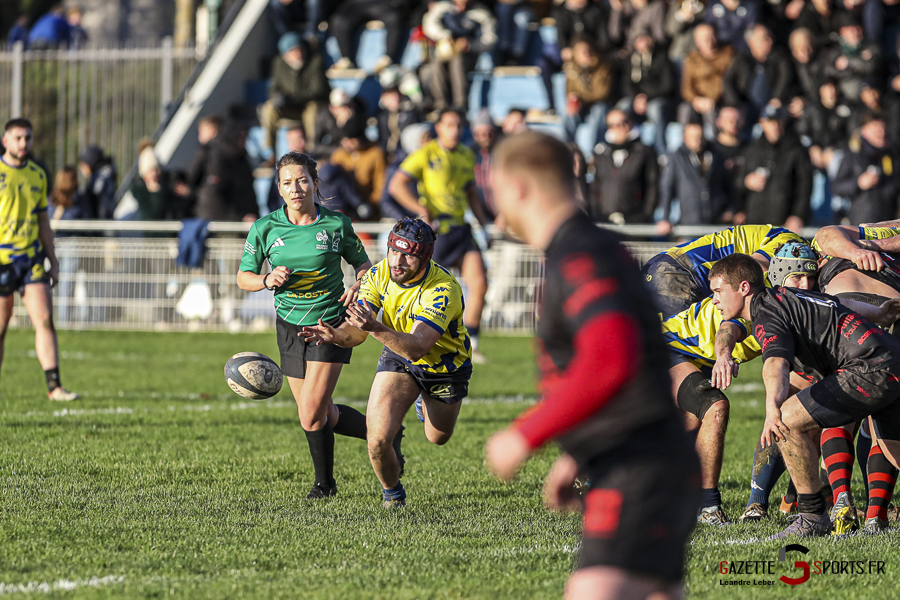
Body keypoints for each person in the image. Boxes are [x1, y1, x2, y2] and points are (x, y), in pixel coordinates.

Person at [484, 131, 699, 600]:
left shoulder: (580, 253)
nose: (494, 209)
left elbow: (611, 358)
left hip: (639, 463)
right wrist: (576, 454)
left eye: (494, 190)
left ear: (519, 187)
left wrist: (525, 434)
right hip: (642, 458)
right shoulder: (591, 246)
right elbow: (639, 357)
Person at [709, 253, 900, 538]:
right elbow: (841, 304)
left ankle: (811, 517)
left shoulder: (767, 313)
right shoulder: (789, 297)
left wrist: (773, 408)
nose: (714, 300)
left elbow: (776, 363)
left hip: (868, 369)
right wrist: (882, 313)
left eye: (718, 292)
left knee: (787, 420)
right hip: (891, 357)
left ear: (744, 288)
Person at [237, 151, 387, 500]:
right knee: (321, 412)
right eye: (287, 183)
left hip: (330, 322)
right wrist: (267, 279)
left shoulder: (336, 224)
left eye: (302, 180)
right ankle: (383, 433)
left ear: (315, 185)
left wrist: (360, 284)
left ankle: (322, 485)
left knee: (310, 410)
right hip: (289, 325)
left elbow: (365, 266)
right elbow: (243, 278)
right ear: (278, 189)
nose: (296, 188)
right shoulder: (265, 228)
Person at [301, 218, 473, 508]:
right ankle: (393, 494)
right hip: (397, 356)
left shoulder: (443, 289)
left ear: (426, 257)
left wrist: (375, 328)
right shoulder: (378, 274)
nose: (398, 261)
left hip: (443, 366)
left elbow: (418, 348)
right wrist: (337, 335)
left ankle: (423, 401)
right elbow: (358, 330)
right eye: (394, 251)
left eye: (408, 255)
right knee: (378, 437)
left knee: (438, 437)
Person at [388, 109, 490, 362]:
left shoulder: (467, 155)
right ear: (439, 128)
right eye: (449, 125)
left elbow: (471, 194)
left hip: (462, 229)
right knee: (428, 290)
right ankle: (414, 339)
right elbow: (396, 184)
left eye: (458, 125)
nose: (454, 130)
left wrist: (485, 224)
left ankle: (472, 345)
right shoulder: (426, 153)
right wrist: (420, 209)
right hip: (437, 233)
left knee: (479, 284)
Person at [0, 118, 78, 401]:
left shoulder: (38, 174)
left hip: (31, 258)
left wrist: (53, 260)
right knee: (1, 326)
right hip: (2, 258)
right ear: (6, 140)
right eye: (18, 138)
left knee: (44, 319)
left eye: (28, 138)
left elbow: (43, 220)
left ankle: (55, 387)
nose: (24, 144)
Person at [641, 224, 804, 319]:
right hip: (679, 272)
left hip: (666, 266)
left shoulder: (778, 236)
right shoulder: (791, 244)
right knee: (689, 351)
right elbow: (752, 270)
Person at [734, 105, 812, 232]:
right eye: (770, 121)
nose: (775, 126)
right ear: (762, 123)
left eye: (778, 121)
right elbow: (737, 182)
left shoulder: (796, 150)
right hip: (754, 222)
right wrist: (746, 182)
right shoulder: (751, 150)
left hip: (784, 223)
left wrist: (798, 215)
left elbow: (805, 185)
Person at [258, 33, 329, 160]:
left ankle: (311, 150)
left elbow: (317, 91)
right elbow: (273, 88)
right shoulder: (278, 63)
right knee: (269, 108)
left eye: (299, 49)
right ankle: (270, 152)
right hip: (289, 107)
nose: (298, 54)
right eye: (293, 51)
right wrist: (278, 97)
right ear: (285, 55)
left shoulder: (315, 61)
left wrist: (291, 98)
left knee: (313, 110)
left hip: (309, 105)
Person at [657, 115, 729, 234]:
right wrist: (665, 218)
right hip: (689, 223)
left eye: (700, 137)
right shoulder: (676, 158)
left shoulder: (716, 155)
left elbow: (727, 184)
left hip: (715, 222)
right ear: (684, 138)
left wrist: (730, 209)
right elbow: (667, 188)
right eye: (693, 137)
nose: (698, 140)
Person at [590, 109, 658, 224]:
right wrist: (597, 214)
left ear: (631, 123)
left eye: (624, 122)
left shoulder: (645, 152)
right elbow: (595, 187)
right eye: (613, 125)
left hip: (636, 222)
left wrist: (645, 215)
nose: (620, 127)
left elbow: (653, 186)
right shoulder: (602, 154)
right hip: (606, 221)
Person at [832, 112, 900, 225]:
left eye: (883, 128)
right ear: (864, 131)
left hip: (890, 221)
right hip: (862, 221)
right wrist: (859, 183)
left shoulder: (893, 153)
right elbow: (836, 187)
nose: (881, 133)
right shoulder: (853, 154)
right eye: (876, 129)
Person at [78, 145, 117, 220]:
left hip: (101, 224)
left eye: (84, 163)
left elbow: (101, 205)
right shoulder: (102, 174)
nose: (81, 167)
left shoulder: (101, 178)